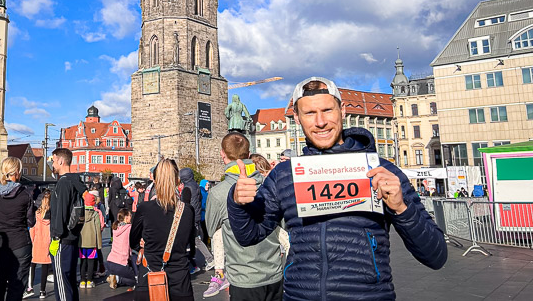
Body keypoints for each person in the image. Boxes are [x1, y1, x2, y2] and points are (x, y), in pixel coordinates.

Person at [229, 77, 448, 300]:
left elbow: (436, 255)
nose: (321, 121)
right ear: (297, 118)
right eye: (310, 113)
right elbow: (249, 235)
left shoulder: (382, 171)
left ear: (342, 110)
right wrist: (237, 202)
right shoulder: (285, 175)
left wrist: (402, 208)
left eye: (327, 110)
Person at [206, 134, 283, 300]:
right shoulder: (268, 185)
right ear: (249, 155)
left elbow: (211, 229)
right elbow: (283, 224)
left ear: (222, 154)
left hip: (243, 277)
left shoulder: (218, 193)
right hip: (274, 273)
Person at [130, 159, 195, 301]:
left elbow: (133, 242)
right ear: (178, 181)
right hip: (180, 280)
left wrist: (144, 244)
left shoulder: (145, 209)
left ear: (155, 180)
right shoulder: (187, 210)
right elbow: (191, 248)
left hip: (149, 277)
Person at [0, 157, 36, 301]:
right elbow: (31, 221)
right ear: (17, 172)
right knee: (17, 286)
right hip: (20, 243)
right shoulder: (25, 193)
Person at [48, 148, 87, 301]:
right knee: (69, 280)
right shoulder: (76, 182)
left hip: (62, 239)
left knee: (62, 282)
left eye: (53, 159)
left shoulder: (63, 183)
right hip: (73, 237)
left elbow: (61, 213)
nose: (52, 163)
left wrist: (56, 237)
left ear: (61, 161)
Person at [179, 168, 213, 272]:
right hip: (197, 216)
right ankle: (193, 264)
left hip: (190, 217)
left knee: (196, 240)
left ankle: (209, 259)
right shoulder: (196, 186)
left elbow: (184, 204)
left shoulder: (187, 189)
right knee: (193, 240)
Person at [28, 190, 52, 299]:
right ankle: (42, 290)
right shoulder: (52, 215)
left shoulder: (37, 214)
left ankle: (30, 287)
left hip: (36, 242)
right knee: (45, 268)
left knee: (32, 265)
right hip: (47, 242)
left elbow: (32, 229)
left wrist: (31, 241)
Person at [106, 208, 136, 289]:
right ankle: (118, 279)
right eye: (130, 215)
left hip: (110, 262)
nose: (131, 217)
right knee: (137, 280)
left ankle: (114, 277)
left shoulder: (115, 227)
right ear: (126, 217)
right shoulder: (129, 227)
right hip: (120, 263)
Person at [78, 193, 103, 288]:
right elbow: (98, 229)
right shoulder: (95, 214)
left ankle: (82, 280)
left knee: (82, 261)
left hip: (81, 241)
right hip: (92, 242)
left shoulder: (80, 213)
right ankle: (89, 280)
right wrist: (99, 244)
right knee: (91, 261)